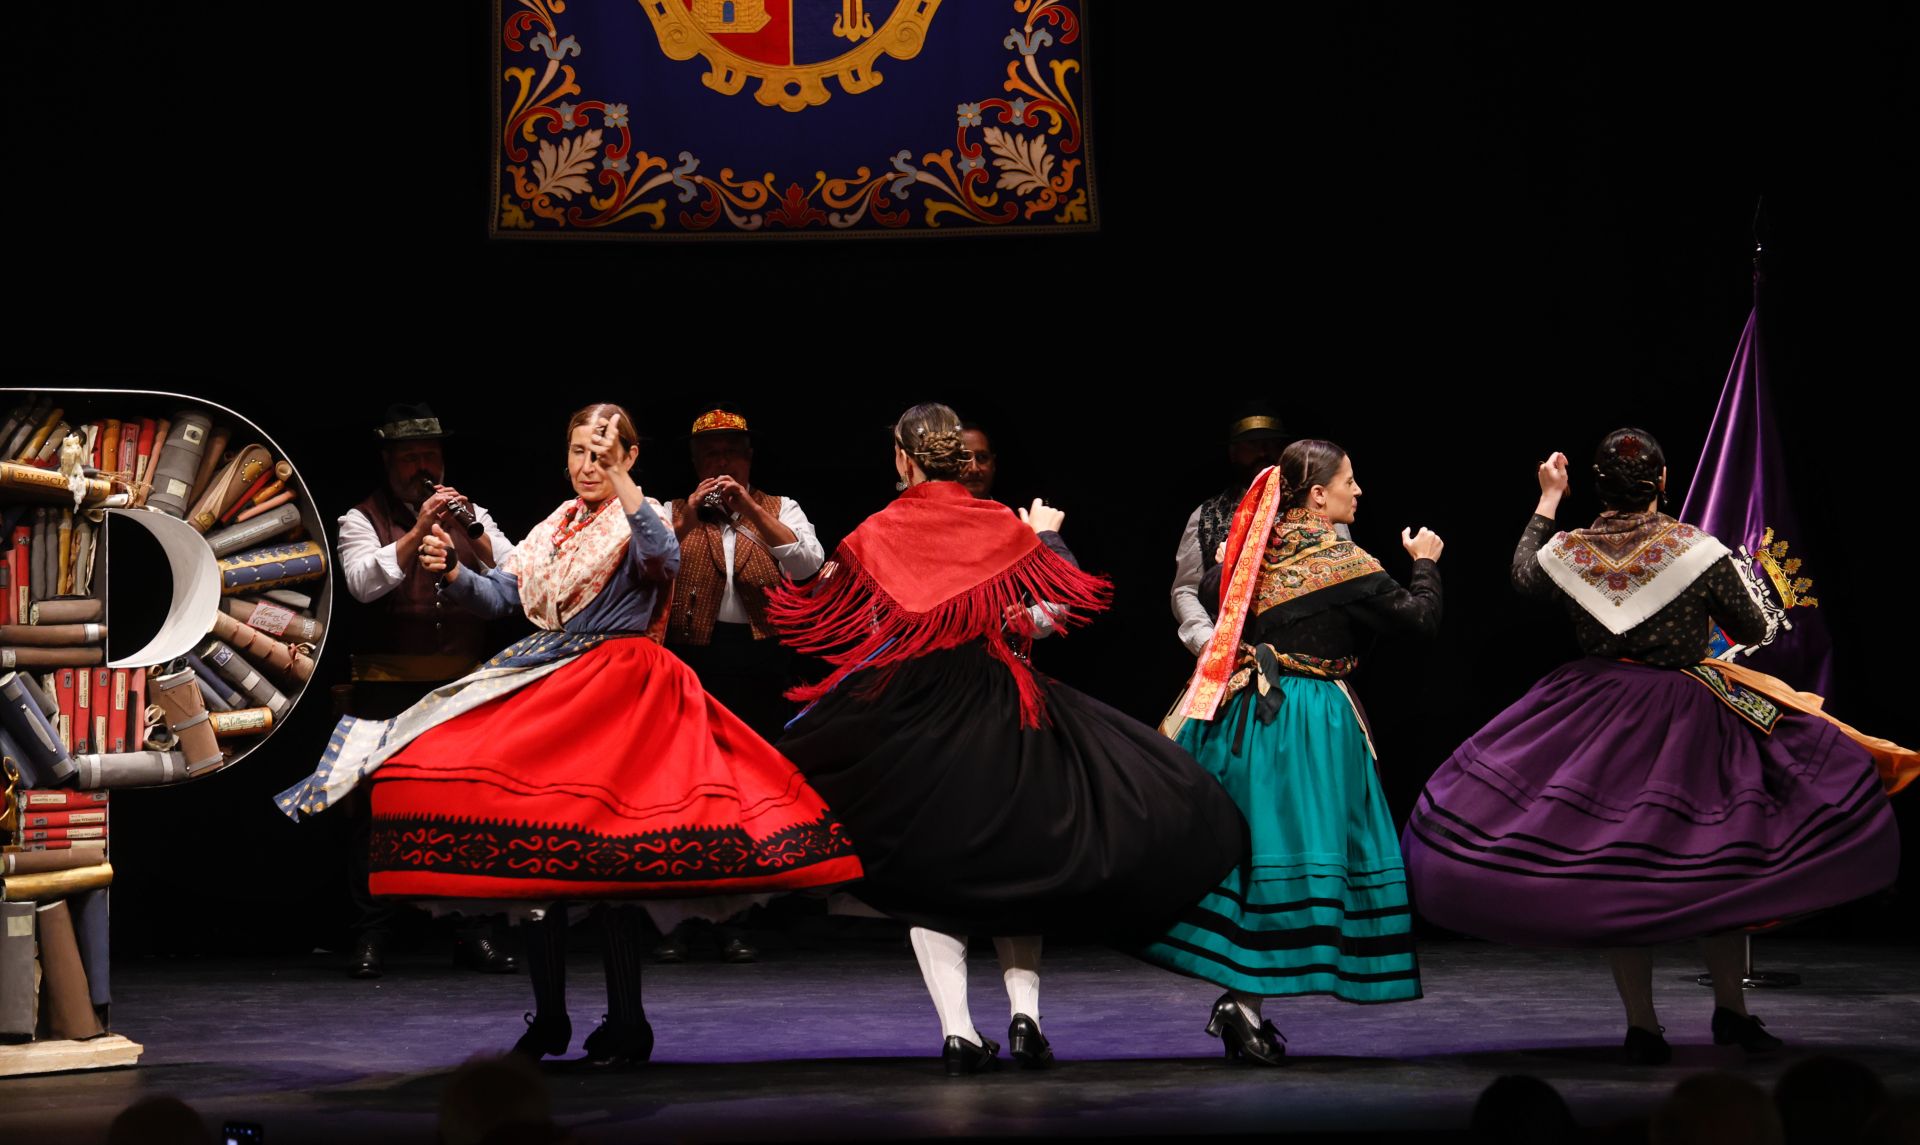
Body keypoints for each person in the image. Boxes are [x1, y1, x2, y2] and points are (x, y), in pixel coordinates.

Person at [275, 404, 862, 1065]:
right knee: (535, 849)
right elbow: (502, 596)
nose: (590, 465)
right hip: (549, 677)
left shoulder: (642, 519)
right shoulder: (556, 525)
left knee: (601, 858)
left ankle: (628, 1021)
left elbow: (663, 556)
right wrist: (452, 576)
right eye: (581, 452)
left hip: (616, 689)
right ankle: (551, 1017)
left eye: (604, 452)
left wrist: (625, 487)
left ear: (630, 458)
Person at [767, 402, 1244, 1075]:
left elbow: (828, 594)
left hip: (910, 712)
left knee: (930, 874)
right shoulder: (994, 522)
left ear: (903, 459)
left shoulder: (881, 529)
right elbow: (1065, 603)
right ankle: (1025, 1019)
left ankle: (959, 1030)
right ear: (959, 459)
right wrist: (1044, 537)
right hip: (998, 703)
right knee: (1018, 859)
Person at [1401, 429, 1902, 1064]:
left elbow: (1524, 575)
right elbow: (1754, 626)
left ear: (1599, 485)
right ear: (1662, 482)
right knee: (1724, 858)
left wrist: (1548, 499)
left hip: (1599, 714)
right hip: (1687, 713)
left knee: (1619, 867)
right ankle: (1731, 1011)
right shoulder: (1695, 550)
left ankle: (1643, 1025)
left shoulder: (1570, 550)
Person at [1142, 439, 1442, 1065]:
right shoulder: (1339, 558)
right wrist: (1426, 562)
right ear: (1317, 495)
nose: (1357, 492)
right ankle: (1243, 1004)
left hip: (1244, 715)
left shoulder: (1253, 551)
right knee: (1294, 852)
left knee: (1257, 852)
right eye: (1349, 481)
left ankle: (1243, 1002)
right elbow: (1419, 622)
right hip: (1304, 717)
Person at [335, 402, 518, 978]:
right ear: (389, 462)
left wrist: (474, 533)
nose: (424, 467)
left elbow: (520, 574)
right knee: (376, 814)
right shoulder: (359, 519)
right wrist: (418, 531)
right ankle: (372, 936)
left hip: (461, 685)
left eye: (431, 455)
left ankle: (473, 932)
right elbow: (363, 585)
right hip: (384, 689)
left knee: (466, 809)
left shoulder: (473, 512)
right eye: (412, 457)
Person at [657, 406, 827, 964]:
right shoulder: (669, 511)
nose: (720, 461)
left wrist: (748, 507)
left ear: (749, 458)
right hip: (691, 661)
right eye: (710, 453)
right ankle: (681, 920)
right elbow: (643, 561)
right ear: (694, 461)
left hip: (760, 662)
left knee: (751, 793)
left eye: (731, 451)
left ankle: (741, 916)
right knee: (689, 793)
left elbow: (807, 565)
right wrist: (687, 520)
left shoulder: (781, 508)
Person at [1171, 405, 1291, 656]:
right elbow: (1186, 590)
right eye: (1252, 444)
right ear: (1233, 452)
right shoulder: (1206, 515)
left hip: (1299, 652)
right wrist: (1206, 640)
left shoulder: (1309, 505)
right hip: (1229, 655)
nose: (1263, 452)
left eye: (1271, 443)